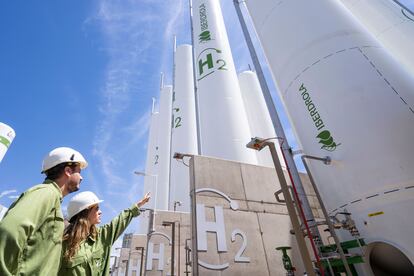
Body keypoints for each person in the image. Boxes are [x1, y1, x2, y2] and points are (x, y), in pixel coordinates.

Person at [0, 147, 88, 276]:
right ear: (68, 171)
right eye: (79, 172)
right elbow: (10, 230)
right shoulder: (46, 193)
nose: (81, 178)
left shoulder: (53, 198)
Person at [58, 191, 151, 275]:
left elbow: (119, 221)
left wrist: (138, 205)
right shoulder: (62, 243)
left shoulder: (102, 236)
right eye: (96, 209)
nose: (100, 212)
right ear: (85, 212)